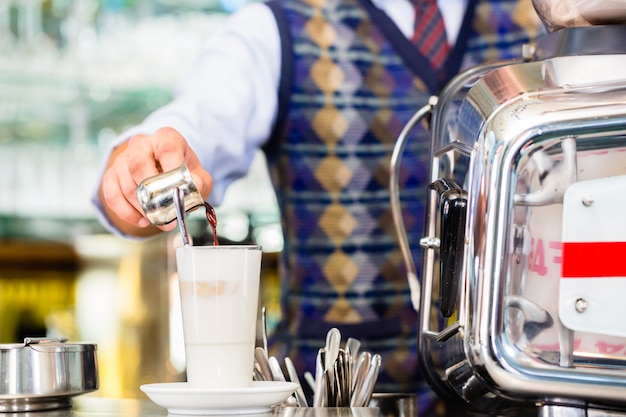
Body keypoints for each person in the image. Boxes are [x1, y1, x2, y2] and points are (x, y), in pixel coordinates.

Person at [93, 0, 544, 413]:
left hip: (527, 399)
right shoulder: (276, 30)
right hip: (326, 402)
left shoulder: (548, 22)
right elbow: (195, 121)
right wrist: (143, 165)